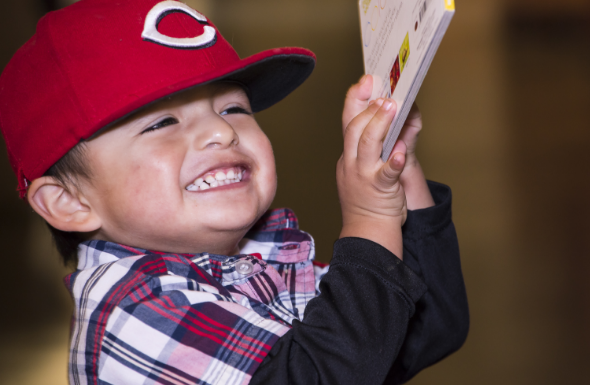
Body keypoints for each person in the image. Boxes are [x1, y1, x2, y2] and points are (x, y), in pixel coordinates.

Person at [0, 0, 468, 384]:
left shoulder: (253, 265)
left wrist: (397, 171)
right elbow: (328, 372)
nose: (220, 134)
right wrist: (369, 218)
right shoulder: (136, 310)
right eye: (163, 122)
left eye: (233, 108)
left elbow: (424, 332)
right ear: (69, 202)